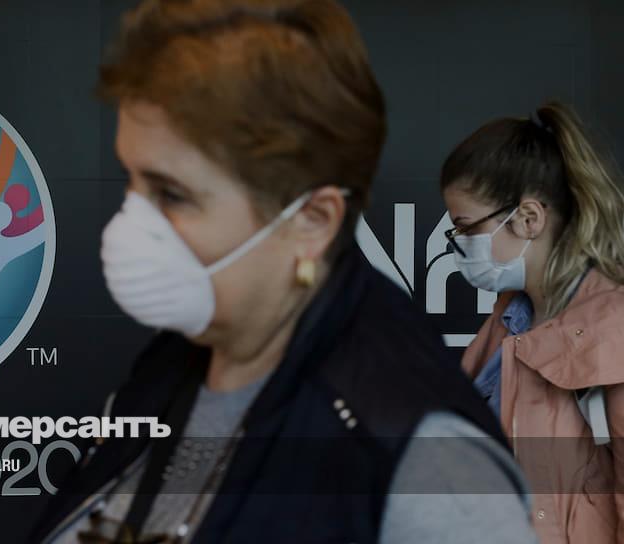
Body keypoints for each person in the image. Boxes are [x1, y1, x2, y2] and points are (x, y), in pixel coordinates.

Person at [29, 1, 537, 542]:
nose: (130, 223)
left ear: (312, 221)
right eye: (132, 181)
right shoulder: (172, 365)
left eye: (171, 194)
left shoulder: (426, 467)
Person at [441, 101, 624, 543]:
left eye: (466, 228)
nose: (458, 244)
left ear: (528, 219)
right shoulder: (507, 322)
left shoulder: (613, 332)